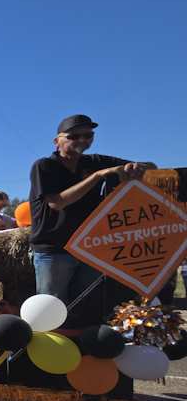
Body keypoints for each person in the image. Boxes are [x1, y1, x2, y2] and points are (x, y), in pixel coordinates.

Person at [28, 114, 155, 304]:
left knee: (86, 304)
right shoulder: (44, 166)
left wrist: (135, 168)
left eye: (87, 135)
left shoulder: (94, 161)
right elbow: (57, 202)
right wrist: (97, 177)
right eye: (73, 136)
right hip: (54, 248)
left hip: (88, 248)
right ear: (57, 141)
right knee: (52, 305)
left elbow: (151, 167)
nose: (82, 140)